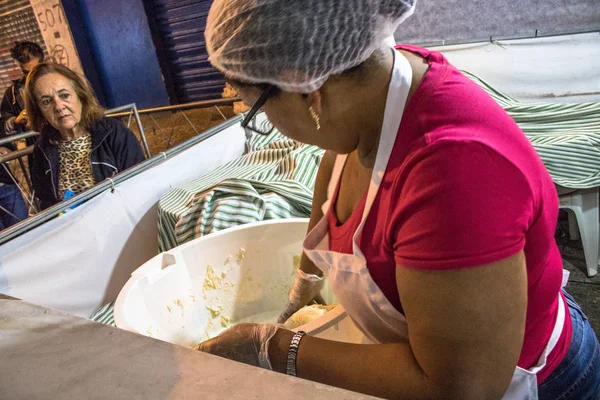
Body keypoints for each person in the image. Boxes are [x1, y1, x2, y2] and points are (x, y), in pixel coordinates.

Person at [196, 1, 600, 399]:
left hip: (541, 382)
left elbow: (462, 387)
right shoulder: (371, 92)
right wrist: (306, 280)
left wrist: (273, 347)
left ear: (308, 90)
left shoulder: (453, 172)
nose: (271, 127)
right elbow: (334, 163)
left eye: (258, 110)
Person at [24, 63, 145, 210]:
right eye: (46, 101)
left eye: (64, 95)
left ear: (80, 96)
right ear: (39, 111)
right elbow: (46, 205)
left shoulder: (113, 133)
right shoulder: (41, 150)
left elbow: (140, 183)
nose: (59, 106)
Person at [1, 41, 44, 141]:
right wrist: (16, 121)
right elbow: (4, 124)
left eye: (35, 71)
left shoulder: (58, 82)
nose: (30, 76)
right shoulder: (12, 94)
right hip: (37, 147)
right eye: (26, 72)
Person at [0, 145, 28, 229]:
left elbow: (9, 148)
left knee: (22, 229)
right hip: (8, 187)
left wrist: (6, 151)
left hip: (7, 185)